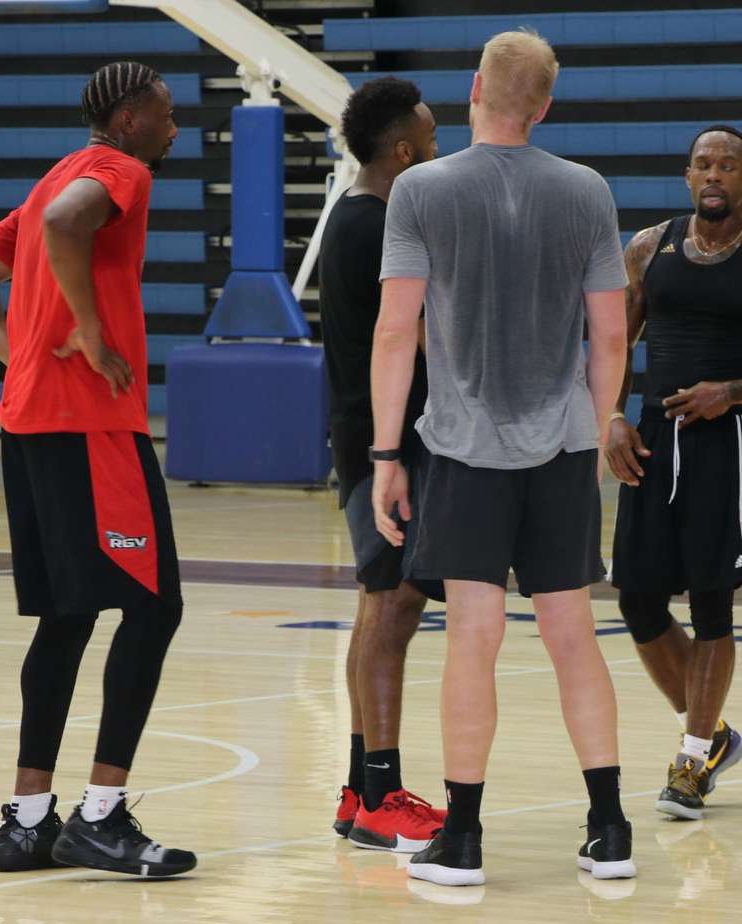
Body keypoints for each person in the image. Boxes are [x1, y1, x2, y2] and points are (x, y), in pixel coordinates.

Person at [369, 29, 635, 886]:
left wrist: (385, 452)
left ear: (474, 89)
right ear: (545, 105)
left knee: (472, 638)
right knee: (573, 636)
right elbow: (610, 335)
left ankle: (463, 839)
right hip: (561, 445)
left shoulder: (421, 189)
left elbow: (395, 331)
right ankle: (610, 829)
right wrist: (596, 428)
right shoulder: (587, 190)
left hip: (465, 448)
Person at [0, 61, 195, 876]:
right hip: (90, 425)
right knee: (154, 608)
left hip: (29, 425)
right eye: (164, 113)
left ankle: (26, 823)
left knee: (69, 616)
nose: (174, 128)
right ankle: (99, 816)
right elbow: (63, 225)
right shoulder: (116, 171)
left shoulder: (55, 172)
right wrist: (87, 328)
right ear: (127, 121)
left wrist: (23, 357)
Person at [604, 126, 742, 820]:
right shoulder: (649, 248)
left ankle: (692, 758)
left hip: (724, 438)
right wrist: (610, 416)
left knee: (710, 601)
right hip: (650, 437)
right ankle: (712, 734)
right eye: (703, 164)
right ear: (687, 175)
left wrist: (730, 392)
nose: (714, 175)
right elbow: (613, 342)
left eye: (728, 166)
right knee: (637, 600)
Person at [320, 76, 447, 853]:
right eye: (431, 140)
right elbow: (421, 334)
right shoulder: (379, 227)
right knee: (393, 609)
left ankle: (359, 787)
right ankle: (381, 795)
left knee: (379, 609)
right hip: (389, 445)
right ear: (403, 151)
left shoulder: (355, 215)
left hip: (371, 439)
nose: (438, 151)